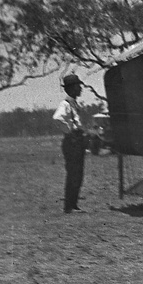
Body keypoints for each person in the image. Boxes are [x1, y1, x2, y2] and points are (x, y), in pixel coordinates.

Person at [52, 73, 99, 212]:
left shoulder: (73, 104)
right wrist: (70, 130)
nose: (80, 88)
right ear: (72, 88)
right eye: (78, 86)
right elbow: (57, 118)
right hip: (72, 142)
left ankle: (73, 204)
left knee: (78, 174)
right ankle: (68, 206)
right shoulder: (65, 104)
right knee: (73, 174)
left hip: (77, 142)